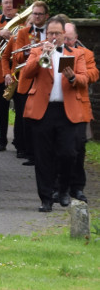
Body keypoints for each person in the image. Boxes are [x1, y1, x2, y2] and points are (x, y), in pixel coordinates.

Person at [21, 16, 88, 212]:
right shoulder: (36, 51)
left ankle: (64, 190)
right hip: (44, 111)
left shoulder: (76, 54)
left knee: (68, 153)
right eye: (51, 33)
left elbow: (84, 78)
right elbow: (26, 74)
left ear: (64, 35)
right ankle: (46, 198)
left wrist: (73, 77)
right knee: (43, 157)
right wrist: (44, 54)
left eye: (58, 33)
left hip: (67, 111)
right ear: (46, 34)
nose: (54, 37)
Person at [7, 2, 49, 162]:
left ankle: (40, 152)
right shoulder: (24, 32)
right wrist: (32, 50)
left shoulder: (51, 32)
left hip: (45, 78)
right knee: (24, 117)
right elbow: (15, 57)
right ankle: (25, 149)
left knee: (42, 117)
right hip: (27, 77)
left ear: (46, 16)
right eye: (35, 14)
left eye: (40, 14)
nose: (37, 17)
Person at [62, 22, 98, 202]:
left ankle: (77, 187)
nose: (66, 41)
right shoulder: (53, 51)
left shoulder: (86, 54)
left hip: (79, 108)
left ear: (76, 38)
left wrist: (77, 76)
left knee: (78, 149)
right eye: (64, 38)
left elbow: (94, 75)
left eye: (69, 38)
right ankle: (60, 187)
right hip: (58, 107)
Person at [0, 0, 19, 151]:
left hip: (17, 70)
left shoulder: (23, 23)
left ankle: (19, 142)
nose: (8, 6)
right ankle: (0, 139)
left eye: (12, 3)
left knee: (19, 109)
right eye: (6, 2)